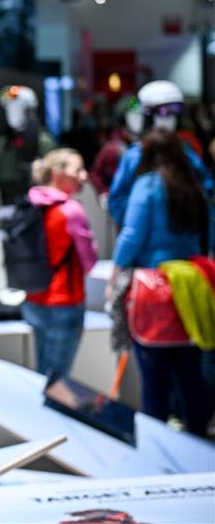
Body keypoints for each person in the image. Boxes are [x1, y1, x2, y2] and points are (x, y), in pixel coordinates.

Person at [107, 130, 210, 437]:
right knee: (191, 374)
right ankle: (200, 444)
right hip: (194, 282)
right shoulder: (194, 186)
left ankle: (157, 447)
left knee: (154, 378)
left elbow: (132, 234)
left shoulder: (148, 184)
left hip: (157, 287)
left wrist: (116, 271)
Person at [22, 149, 99, 379]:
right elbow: (90, 262)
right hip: (64, 301)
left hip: (33, 299)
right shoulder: (71, 210)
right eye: (78, 170)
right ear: (57, 173)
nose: (84, 176)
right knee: (58, 381)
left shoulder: (29, 203)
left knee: (41, 374)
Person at [108, 80, 213, 227]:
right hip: (144, 237)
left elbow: (206, 188)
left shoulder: (184, 151)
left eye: (175, 111)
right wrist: (141, 216)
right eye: (163, 111)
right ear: (147, 116)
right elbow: (117, 201)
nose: (169, 118)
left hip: (182, 234)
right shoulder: (135, 156)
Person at [0, 85, 57, 224]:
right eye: (9, 108)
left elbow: (52, 181)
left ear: (28, 110)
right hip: (8, 207)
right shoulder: (5, 142)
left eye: (17, 107)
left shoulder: (43, 141)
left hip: (35, 211)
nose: (12, 112)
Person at [89, 98, 139, 198]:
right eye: (133, 117)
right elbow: (95, 173)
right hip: (121, 200)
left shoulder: (146, 142)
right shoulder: (112, 148)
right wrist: (104, 192)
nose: (137, 120)